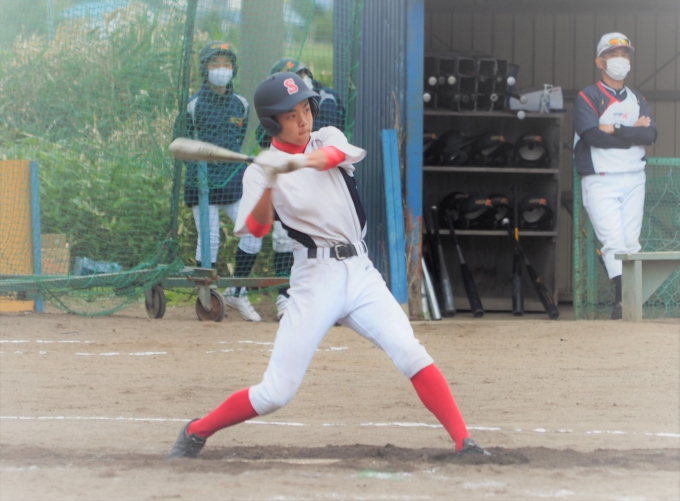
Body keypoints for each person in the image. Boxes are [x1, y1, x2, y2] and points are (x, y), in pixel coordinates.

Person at [166, 72, 488, 460]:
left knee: (410, 351)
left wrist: (293, 163)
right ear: (272, 123)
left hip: (361, 272)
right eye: (291, 115)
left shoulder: (326, 137)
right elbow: (257, 228)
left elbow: (330, 158)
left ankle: (465, 443)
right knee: (276, 393)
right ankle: (196, 431)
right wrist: (269, 182)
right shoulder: (257, 172)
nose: (303, 120)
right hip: (315, 280)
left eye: (306, 109)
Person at [255, 58, 348, 320]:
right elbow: (264, 138)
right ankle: (286, 297)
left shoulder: (328, 99)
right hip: (289, 181)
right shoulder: (274, 109)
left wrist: (305, 158)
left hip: (324, 177)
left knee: (330, 238)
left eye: (300, 74)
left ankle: (330, 301)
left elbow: (335, 143)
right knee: (285, 238)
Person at [573, 32, 657, 320]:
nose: (620, 60)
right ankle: (624, 301)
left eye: (624, 55)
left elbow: (650, 134)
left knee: (631, 242)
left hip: (634, 176)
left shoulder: (637, 98)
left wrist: (616, 128)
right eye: (613, 55)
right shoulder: (588, 96)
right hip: (601, 177)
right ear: (600, 61)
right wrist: (632, 133)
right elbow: (592, 136)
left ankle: (627, 305)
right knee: (613, 241)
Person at [181, 41, 262, 322]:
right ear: (205, 68)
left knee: (253, 231)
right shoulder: (193, 105)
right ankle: (208, 295)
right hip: (200, 185)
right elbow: (182, 143)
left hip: (231, 185)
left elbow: (237, 141)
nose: (221, 69)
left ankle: (237, 292)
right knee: (210, 238)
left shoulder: (241, 104)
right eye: (215, 63)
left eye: (226, 64)